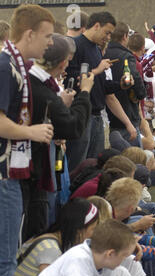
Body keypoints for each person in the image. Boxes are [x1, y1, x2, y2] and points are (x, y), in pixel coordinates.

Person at [0, 4, 56, 276]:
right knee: (4, 262)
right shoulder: (5, 66)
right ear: (30, 33)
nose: (50, 42)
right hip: (4, 176)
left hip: (10, 173)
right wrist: (30, 132)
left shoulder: (13, 65)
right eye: (47, 35)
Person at [22, 34, 95, 242]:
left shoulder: (30, 82)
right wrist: (85, 93)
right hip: (34, 171)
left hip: (33, 168)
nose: (65, 70)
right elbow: (73, 127)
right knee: (33, 231)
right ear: (63, 62)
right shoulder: (43, 91)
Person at [64, 11, 133, 172]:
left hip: (97, 116)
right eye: (107, 32)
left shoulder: (95, 49)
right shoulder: (75, 45)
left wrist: (120, 85)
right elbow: (71, 81)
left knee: (96, 166)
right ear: (96, 26)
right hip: (81, 114)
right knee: (77, 165)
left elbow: (101, 87)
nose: (109, 37)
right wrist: (97, 69)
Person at [24, 219, 137, 276]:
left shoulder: (103, 263)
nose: (125, 260)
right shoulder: (78, 260)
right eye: (124, 256)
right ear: (110, 253)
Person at [13, 198, 99, 276]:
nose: (94, 234)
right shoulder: (50, 249)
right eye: (93, 229)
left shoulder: (51, 238)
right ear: (78, 230)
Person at [104, 22, 147, 148]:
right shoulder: (126, 56)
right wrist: (141, 93)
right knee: (134, 159)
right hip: (127, 114)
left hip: (108, 116)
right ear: (124, 36)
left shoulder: (103, 53)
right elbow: (134, 76)